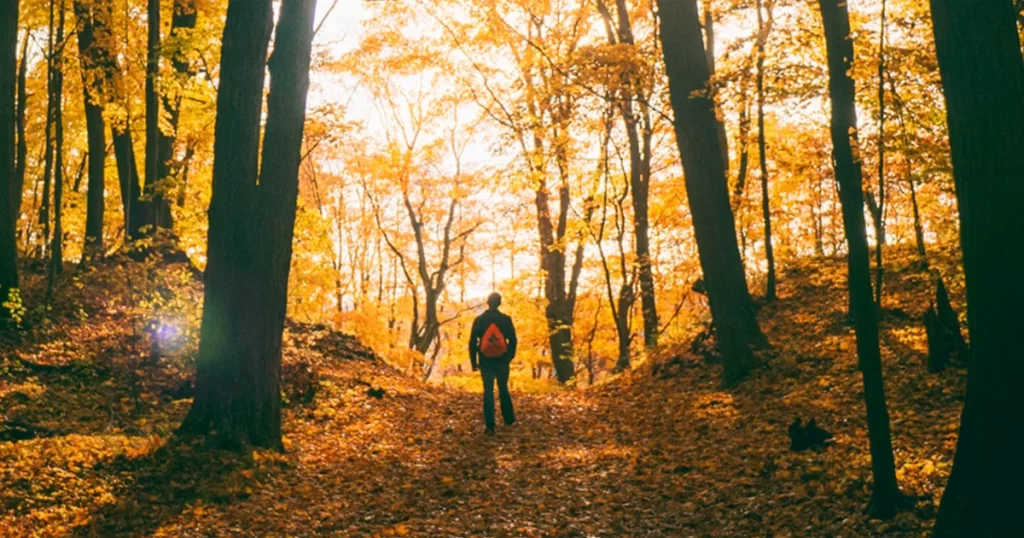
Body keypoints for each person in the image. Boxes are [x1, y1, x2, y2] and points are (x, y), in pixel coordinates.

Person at [469, 292, 517, 434]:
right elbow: (513, 340)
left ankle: (490, 426)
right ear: (499, 303)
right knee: (503, 388)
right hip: (502, 360)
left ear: (487, 302)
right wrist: (510, 356)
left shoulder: (480, 320)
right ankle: (509, 420)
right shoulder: (505, 320)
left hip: (485, 361)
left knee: (488, 391)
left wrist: (474, 361)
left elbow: (472, 342)